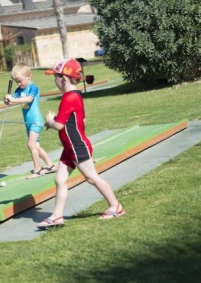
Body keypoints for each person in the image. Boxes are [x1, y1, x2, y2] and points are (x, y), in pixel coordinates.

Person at [37, 59, 125, 229]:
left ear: (63, 78)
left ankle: (116, 206)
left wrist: (50, 121)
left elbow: (60, 125)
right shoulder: (74, 95)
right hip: (70, 148)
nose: (54, 80)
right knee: (60, 179)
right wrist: (54, 122)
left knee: (92, 178)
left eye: (55, 77)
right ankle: (56, 216)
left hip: (77, 146)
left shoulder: (69, 97)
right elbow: (73, 120)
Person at [4, 63, 57, 179]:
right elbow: (13, 101)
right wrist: (8, 101)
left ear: (28, 76)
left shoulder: (33, 87)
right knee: (36, 146)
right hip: (27, 122)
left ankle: (37, 169)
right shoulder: (18, 90)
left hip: (36, 120)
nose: (18, 84)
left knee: (31, 144)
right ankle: (50, 165)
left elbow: (29, 99)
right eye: (16, 81)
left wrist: (13, 99)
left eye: (20, 80)